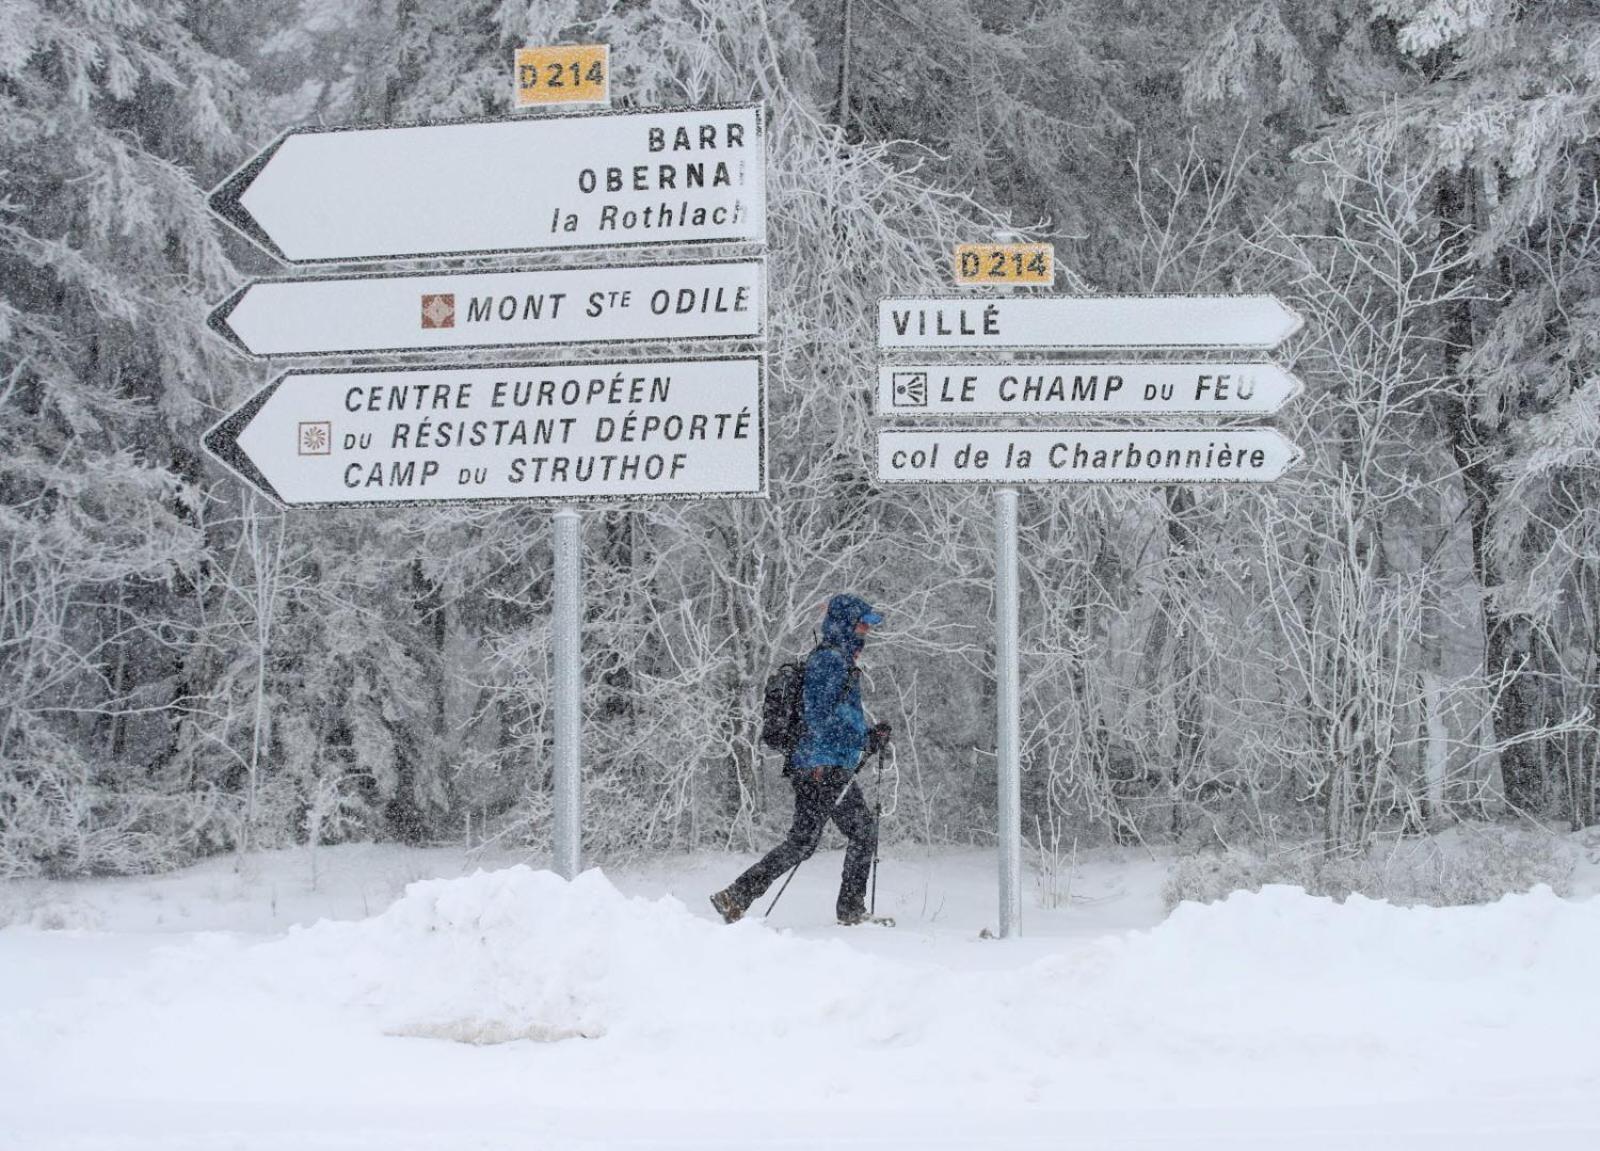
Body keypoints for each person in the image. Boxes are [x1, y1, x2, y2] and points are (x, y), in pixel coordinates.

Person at [711, 594, 892, 926]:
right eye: (862, 623)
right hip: (821, 766)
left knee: (805, 843)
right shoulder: (830, 661)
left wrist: (865, 737)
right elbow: (822, 717)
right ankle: (850, 911)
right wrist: (864, 738)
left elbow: (834, 717)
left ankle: (736, 895)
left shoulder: (837, 660)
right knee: (858, 832)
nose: (867, 629)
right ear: (847, 624)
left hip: (818, 764)